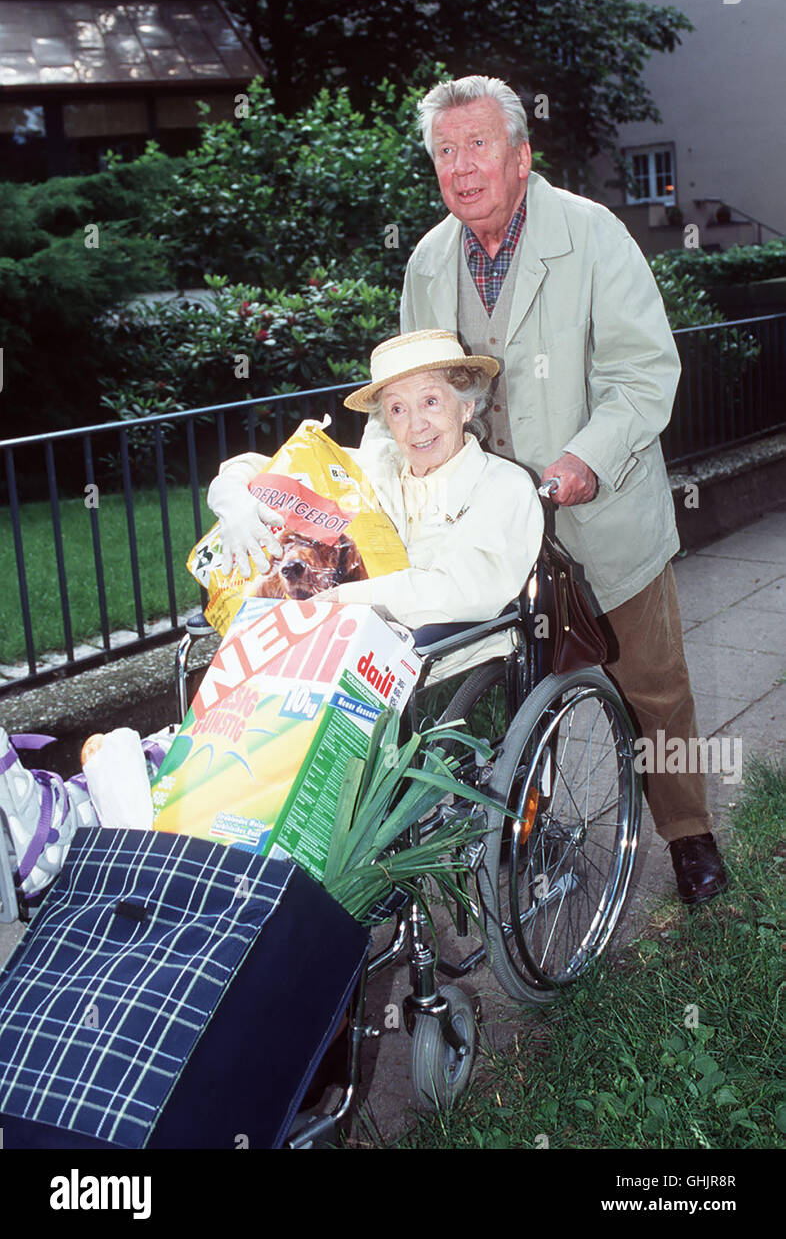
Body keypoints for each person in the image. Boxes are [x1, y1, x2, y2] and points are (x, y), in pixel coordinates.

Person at [390, 73, 727, 907]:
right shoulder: (431, 260)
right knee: (496, 697)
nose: (462, 168)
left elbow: (645, 372)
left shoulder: (593, 233)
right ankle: (529, 839)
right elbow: (413, 393)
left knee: (654, 683)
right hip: (487, 530)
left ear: (520, 155)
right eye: (445, 152)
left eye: (478, 146)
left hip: (602, 509)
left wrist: (585, 457)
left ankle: (688, 836)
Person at [207, 328, 543, 648]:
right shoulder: (377, 467)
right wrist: (231, 497)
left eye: (431, 401)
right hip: (345, 643)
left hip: (446, 655)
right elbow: (268, 466)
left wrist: (347, 597)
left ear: (467, 406)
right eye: (398, 409)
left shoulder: (505, 487)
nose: (416, 425)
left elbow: (458, 591)